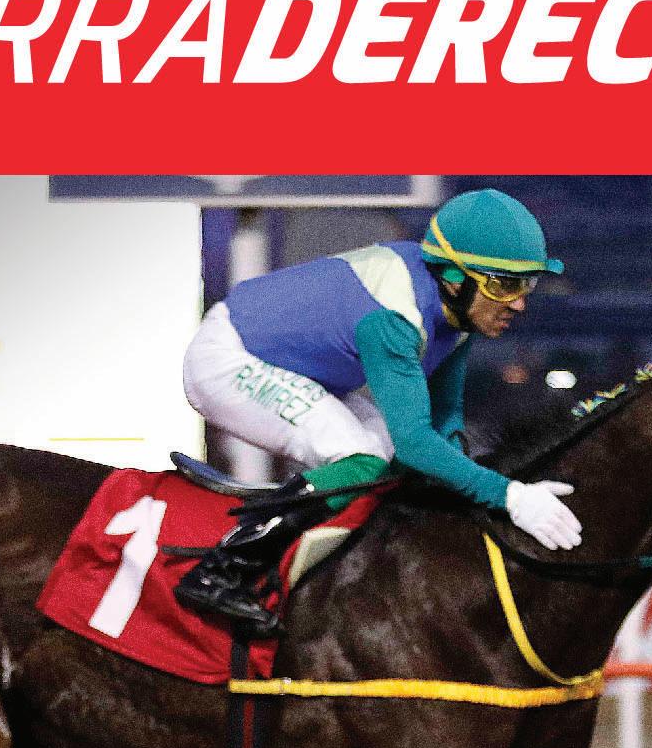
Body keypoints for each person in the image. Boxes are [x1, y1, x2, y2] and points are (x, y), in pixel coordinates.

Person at [176, 188, 582, 634]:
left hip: (291, 365)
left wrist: (492, 494)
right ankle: (224, 567)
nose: (519, 303)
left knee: (388, 458)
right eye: (504, 285)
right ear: (454, 277)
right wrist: (510, 496)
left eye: (527, 284)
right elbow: (415, 445)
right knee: (363, 459)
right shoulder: (396, 316)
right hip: (227, 359)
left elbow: (444, 429)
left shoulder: (457, 315)